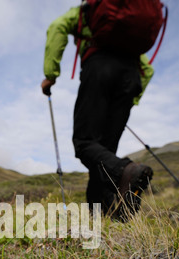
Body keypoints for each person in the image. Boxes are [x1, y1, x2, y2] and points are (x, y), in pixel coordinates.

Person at [41, 5, 154, 220]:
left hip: (99, 69)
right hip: (130, 80)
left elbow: (57, 27)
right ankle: (107, 211)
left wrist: (51, 75)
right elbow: (148, 70)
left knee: (84, 144)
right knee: (102, 154)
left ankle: (125, 171)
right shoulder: (127, 38)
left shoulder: (88, 10)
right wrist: (132, 100)